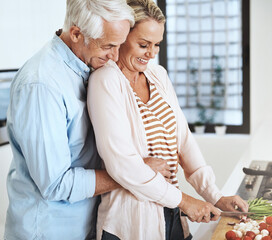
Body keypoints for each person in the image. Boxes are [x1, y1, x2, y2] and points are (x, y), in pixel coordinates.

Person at [4, 0, 170, 239]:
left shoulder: (88, 67)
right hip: (49, 231)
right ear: (76, 33)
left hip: (88, 225)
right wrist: (134, 172)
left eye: (120, 45)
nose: (115, 56)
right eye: (108, 46)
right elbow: (56, 184)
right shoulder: (42, 85)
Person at [87, 0, 249, 239]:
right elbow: (123, 165)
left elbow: (183, 142)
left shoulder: (158, 75)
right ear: (123, 36)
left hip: (171, 213)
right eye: (143, 44)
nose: (151, 54)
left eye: (157, 45)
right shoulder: (105, 81)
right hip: (131, 223)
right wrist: (185, 201)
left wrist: (215, 196)